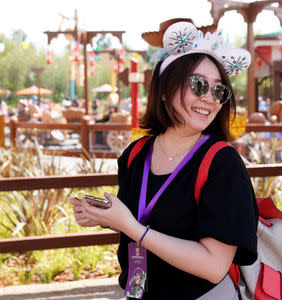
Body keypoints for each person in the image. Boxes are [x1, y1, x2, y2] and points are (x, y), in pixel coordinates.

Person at [71, 19, 258, 300]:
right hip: (139, 292)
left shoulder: (223, 163)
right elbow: (148, 214)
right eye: (198, 84)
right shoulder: (136, 153)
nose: (209, 97)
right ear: (165, 91)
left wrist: (130, 227)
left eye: (219, 90)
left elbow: (214, 266)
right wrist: (104, 216)